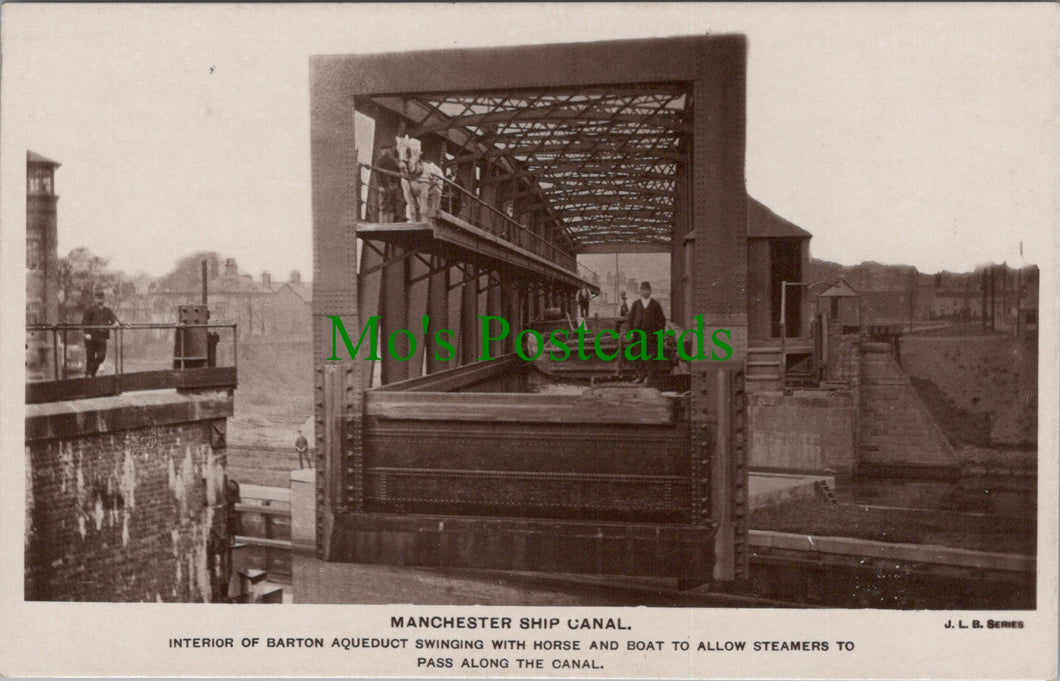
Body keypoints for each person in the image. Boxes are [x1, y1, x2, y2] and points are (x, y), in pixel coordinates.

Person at [626, 281, 666, 383]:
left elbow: (662, 320)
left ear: (650, 291)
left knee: (651, 356)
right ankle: (640, 377)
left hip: (651, 335)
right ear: (640, 291)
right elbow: (630, 319)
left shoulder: (655, 304)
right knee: (639, 355)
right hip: (638, 334)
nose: (645, 292)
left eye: (647, 290)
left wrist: (660, 333)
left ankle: (650, 378)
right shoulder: (636, 304)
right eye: (643, 290)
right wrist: (630, 332)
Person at [82, 289, 119, 377]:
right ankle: (90, 376)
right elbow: (84, 322)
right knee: (90, 357)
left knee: (101, 356)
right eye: (98, 298)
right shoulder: (90, 310)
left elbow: (114, 319)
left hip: (102, 337)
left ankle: (90, 373)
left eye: (101, 298)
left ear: (104, 299)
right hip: (91, 337)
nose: (100, 300)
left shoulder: (107, 311)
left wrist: (116, 323)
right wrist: (86, 333)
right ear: (95, 299)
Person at [375, 145, 403, 223]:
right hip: (385, 185)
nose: (386, 151)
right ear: (381, 151)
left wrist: (399, 186)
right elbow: (378, 173)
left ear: (391, 151)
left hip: (393, 185)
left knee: (391, 206)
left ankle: (390, 224)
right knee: (383, 206)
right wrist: (380, 185)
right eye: (384, 149)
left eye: (388, 149)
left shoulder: (393, 161)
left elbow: (399, 173)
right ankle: (382, 224)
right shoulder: (380, 161)